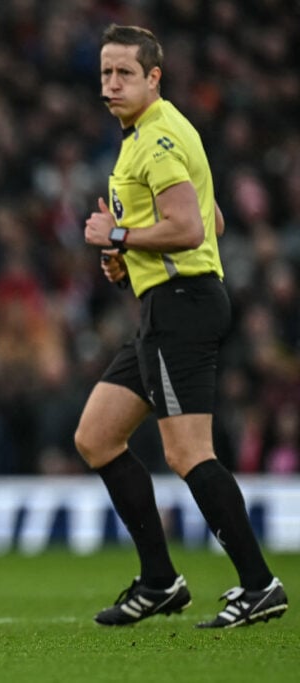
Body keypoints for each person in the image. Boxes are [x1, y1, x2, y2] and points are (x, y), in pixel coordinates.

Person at [77, 24, 288, 628]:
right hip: (162, 306)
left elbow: (193, 231)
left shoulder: (159, 138)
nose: (111, 84)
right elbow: (214, 218)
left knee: (188, 451)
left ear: (153, 78)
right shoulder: (147, 135)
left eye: (124, 73)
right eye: (104, 73)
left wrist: (117, 235)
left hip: (184, 306)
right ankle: (160, 581)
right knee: (96, 436)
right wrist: (129, 257)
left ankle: (258, 584)